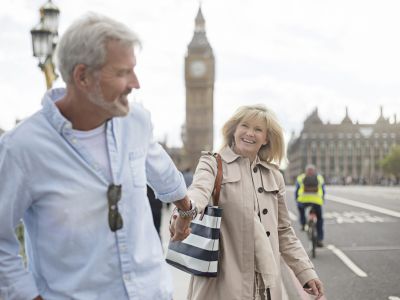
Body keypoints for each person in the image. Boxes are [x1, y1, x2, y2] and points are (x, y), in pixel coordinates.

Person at [0, 13, 195, 300]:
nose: (136, 83)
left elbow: (164, 172)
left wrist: (186, 212)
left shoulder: (136, 121)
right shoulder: (22, 148)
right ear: (82, 77)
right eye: (122, 73)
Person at [171, 104, 324, 300]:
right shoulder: (213, 163)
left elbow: (283, 231)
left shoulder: (274, 175)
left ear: (266, 138)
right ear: (234, 130)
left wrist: (305, 271)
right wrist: (184, 212)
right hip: (222, 285)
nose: (250, 133)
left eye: (258, 129)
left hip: (265, 288)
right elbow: (198, 192)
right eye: (245, 126)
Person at [295, 164, 326, 247]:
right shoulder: (319, 178)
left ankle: (303, 224)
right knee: (319, 219)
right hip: (316, 201)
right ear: (314, 171)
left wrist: (297, 199)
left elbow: (297, 190)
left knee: (300, 209)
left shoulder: (301, 177)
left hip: (303, 200)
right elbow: (323, 190)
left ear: (306, 171)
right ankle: (319, 239)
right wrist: (322, 199)